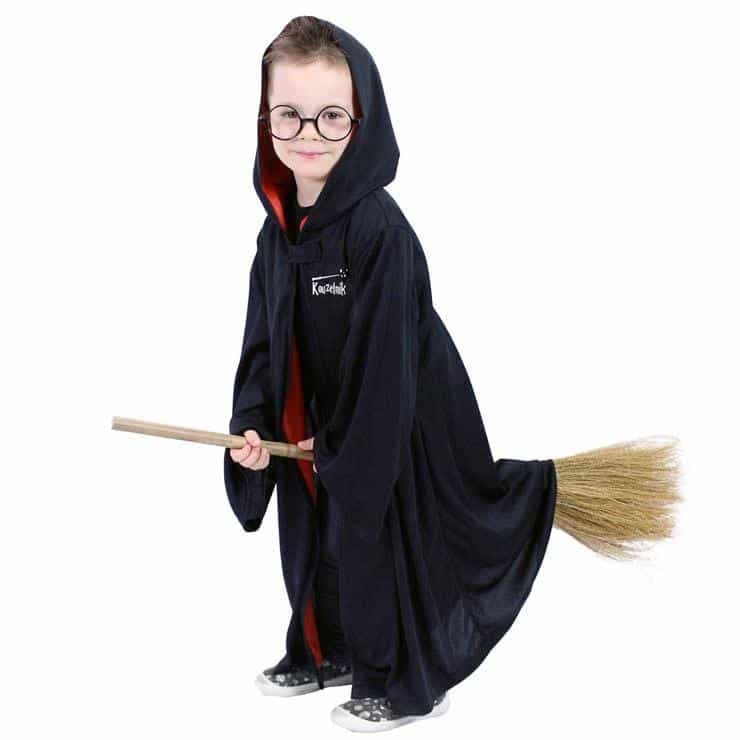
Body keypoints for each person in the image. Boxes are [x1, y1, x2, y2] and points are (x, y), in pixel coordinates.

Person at [224, 15, 557, 732]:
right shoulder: (275, 235)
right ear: (265, 118)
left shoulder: (379, 232)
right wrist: (251, 427)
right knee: (310, 538)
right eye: (288, 114)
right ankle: (325, 649)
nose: (307, 134)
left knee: (371, 542)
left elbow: (386, 361)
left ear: (362, 121)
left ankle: (399, 679)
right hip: (313, 426)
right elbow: (261, 345)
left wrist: (345, 445)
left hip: (390, 425)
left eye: (331, 116)